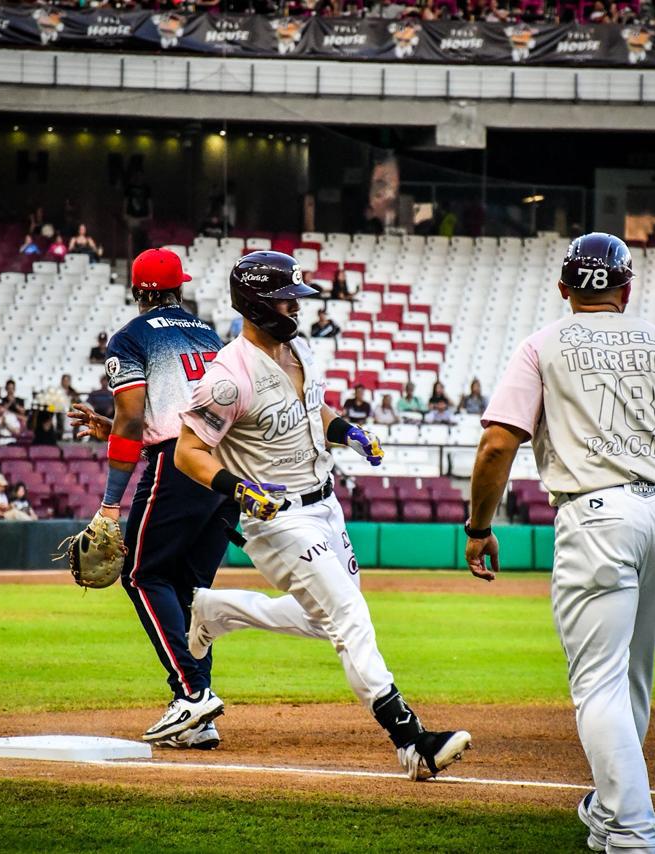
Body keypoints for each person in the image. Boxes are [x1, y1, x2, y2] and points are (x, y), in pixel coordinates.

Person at [464, 233, 655, 852]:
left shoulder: (541, 345)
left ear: (565, 288)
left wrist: (479, 527)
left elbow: (498, 443)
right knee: (632, 676)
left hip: (597, 513)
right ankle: (607, 813)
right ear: (627, 289)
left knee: (598, 683)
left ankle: (632, 832)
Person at [175, 250, 471, 780]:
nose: (297, 308)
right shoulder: (227, 377)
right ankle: (411, 740)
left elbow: (314, 411)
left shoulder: (301, 349)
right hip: (278, 519)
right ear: (258, 303)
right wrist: (240, 489)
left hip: (325, 505)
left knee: (324, 618)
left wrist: (349, 432)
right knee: (351, 619)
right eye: (288, 298)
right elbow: (188, 453)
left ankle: (217, 611)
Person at [66, 247, 238, 751]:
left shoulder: (130, 337)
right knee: (190, 593)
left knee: (143, 575)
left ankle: (192, 694)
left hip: (180, 464)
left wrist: (109, 505)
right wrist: (114, 429)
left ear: (138, 290)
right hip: (227, 472)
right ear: (178, 288)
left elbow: (135, 420)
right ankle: (198, 715)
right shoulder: (210, 335)